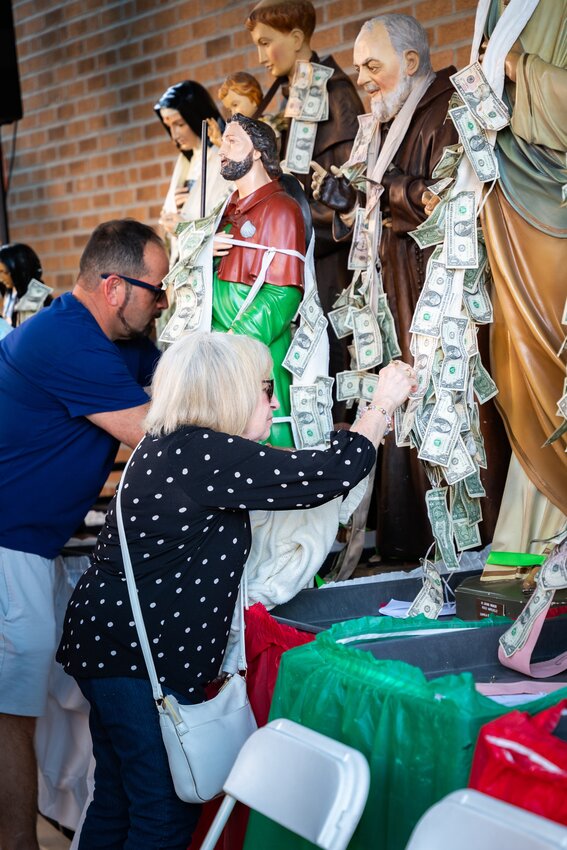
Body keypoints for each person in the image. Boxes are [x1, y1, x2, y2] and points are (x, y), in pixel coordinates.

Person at [57, 330, 417, 850]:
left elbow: (299, 475)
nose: (274, 403)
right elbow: (327, 475)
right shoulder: (203, 452)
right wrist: (381, 405)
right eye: (266, 389)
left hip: (113, 648)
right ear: (229, 392)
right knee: (161, 814)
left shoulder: (172, 444)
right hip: (136, 658)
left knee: (118, 799)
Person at [312, 14, 507, 563]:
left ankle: (469, 547)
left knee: (447, 419)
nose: (363, 80)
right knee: (401, 417)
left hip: (436, 299)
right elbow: (377, 207)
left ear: (412, 62)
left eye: (372, 66)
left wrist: (386, 187)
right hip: (392, 299)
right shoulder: (385, 123)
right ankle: (410, 545)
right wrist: (348, 200)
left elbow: (451, 204)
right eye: (358, 69)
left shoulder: (447, 109)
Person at [0, 219, 169, 850]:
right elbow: (155, 433)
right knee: (11, 715)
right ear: (114, 287)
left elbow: (178, 378)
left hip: (34, 546)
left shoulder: (117, 339)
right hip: (8, 546)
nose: (164, 303)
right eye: (157, 290)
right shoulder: (66, 338)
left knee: (42, 702)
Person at [245, 0, 364, 417]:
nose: (261, 56)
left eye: (266, 43)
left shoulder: (335, 93)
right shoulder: (288, 97)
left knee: (332, 365)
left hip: (328, 262)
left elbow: (347, 193)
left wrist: (284, 227)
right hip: (295, 256)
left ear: (296, 38)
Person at [479, 0, 567, 550]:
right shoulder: (492, 6)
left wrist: (518, 67)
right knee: (516, 366)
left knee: (556, 354)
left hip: (553, 205)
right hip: (505, 201)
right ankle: (531, 532)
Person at [212, 113, 307, 447]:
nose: (221, 151)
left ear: (257, 152)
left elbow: (284, 295)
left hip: (255, 345)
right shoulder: (224, 212)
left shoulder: (281, 209)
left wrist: (235, 341)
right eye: (222, 142)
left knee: (266, 431)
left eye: (232, 141)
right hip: (218, 344)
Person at [155, 80, 231, 257]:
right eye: (169, 126)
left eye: (180, 124)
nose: (174, 135)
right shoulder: (184, 161)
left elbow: (225, 214)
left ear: (196, 117)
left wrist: (186, 220)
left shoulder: (222, 157)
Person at [0, 241, 45, 329]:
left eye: (4, 272)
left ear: (19, 271)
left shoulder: (35, 298)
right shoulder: (11, 294)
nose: (1, 278)